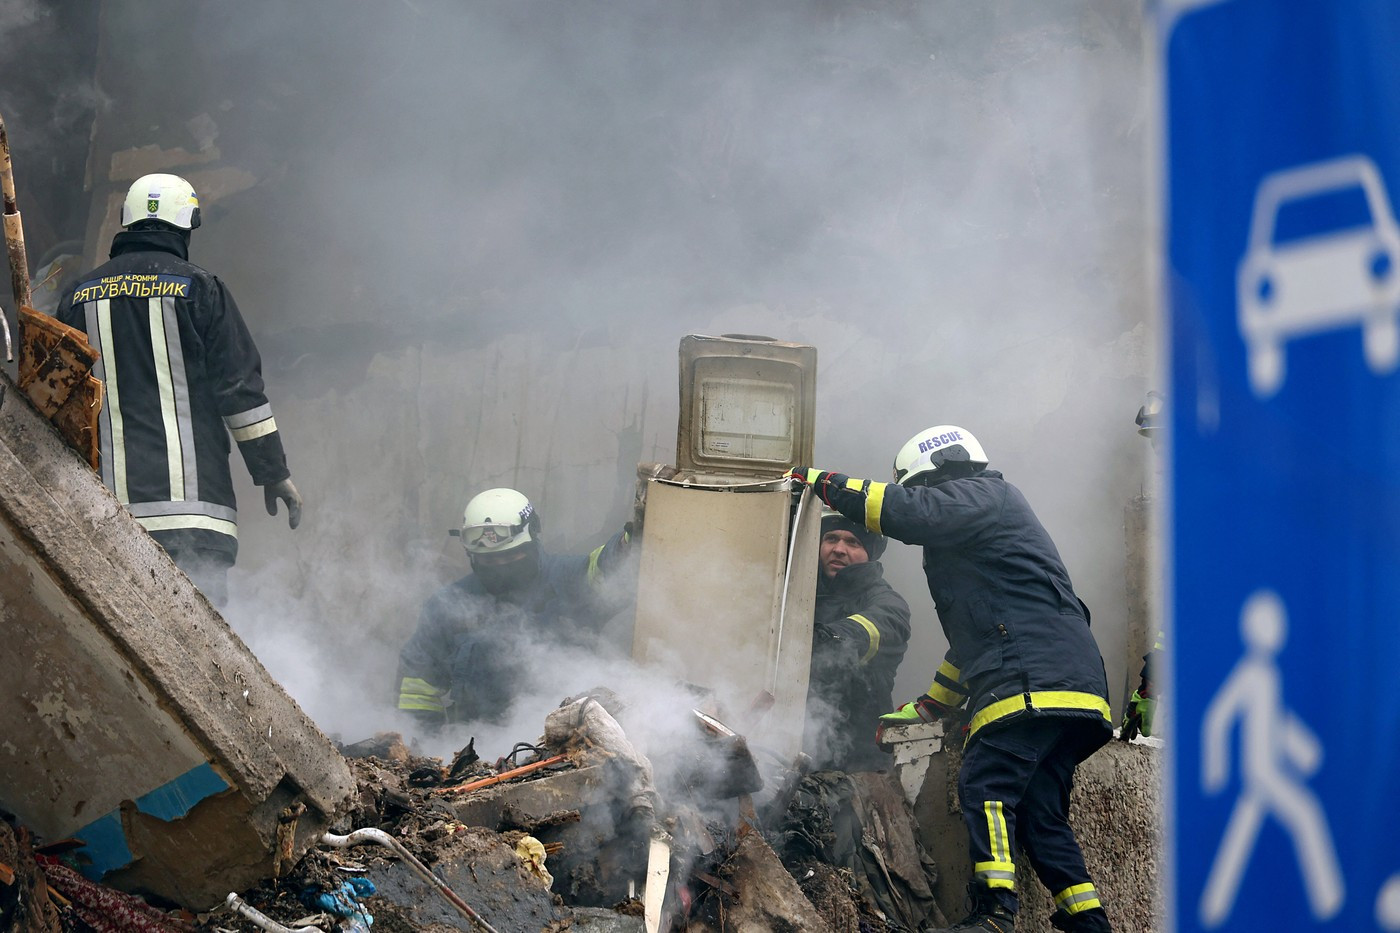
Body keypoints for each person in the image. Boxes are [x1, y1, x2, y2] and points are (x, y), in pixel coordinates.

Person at [787, 425, 1114, 933]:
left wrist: (820, 481)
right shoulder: (982, 542)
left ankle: (995, 912)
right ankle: (1088, 920)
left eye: (915, 487)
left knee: (984, 784)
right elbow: (972, 644)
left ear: (935, 472)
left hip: (1030, 679)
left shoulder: (985, 493)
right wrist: (930, 707)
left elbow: (911, 513)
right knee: (1041, 815)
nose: (916, 498)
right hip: (1073, 686)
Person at [55, 173, 301, 607]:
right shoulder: (201, 290)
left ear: (128, 223)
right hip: (195, 519)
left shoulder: (77, 298)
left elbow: (57, 400)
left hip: (108, 516)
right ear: (186, 226)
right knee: (199, 650)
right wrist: (272, 473)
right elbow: (241, 394)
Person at [396, 487, 634, 731]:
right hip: (479, 755)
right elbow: (416, 689)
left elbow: (607, 567)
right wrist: (427, 748)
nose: (499, 568)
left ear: (532, 540)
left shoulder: (569, 577)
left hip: (570, 744)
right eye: (487, 561)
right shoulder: (447, 607)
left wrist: (630, 540)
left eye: (509, 557)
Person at [805, 508, 911, 772]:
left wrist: (827, 637)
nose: (839, 549)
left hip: (859, 763)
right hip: (797, 749)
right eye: (831, 539)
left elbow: (873, 630)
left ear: (869, 553)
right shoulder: (796, 589)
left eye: (852, 542)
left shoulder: (888, 602)